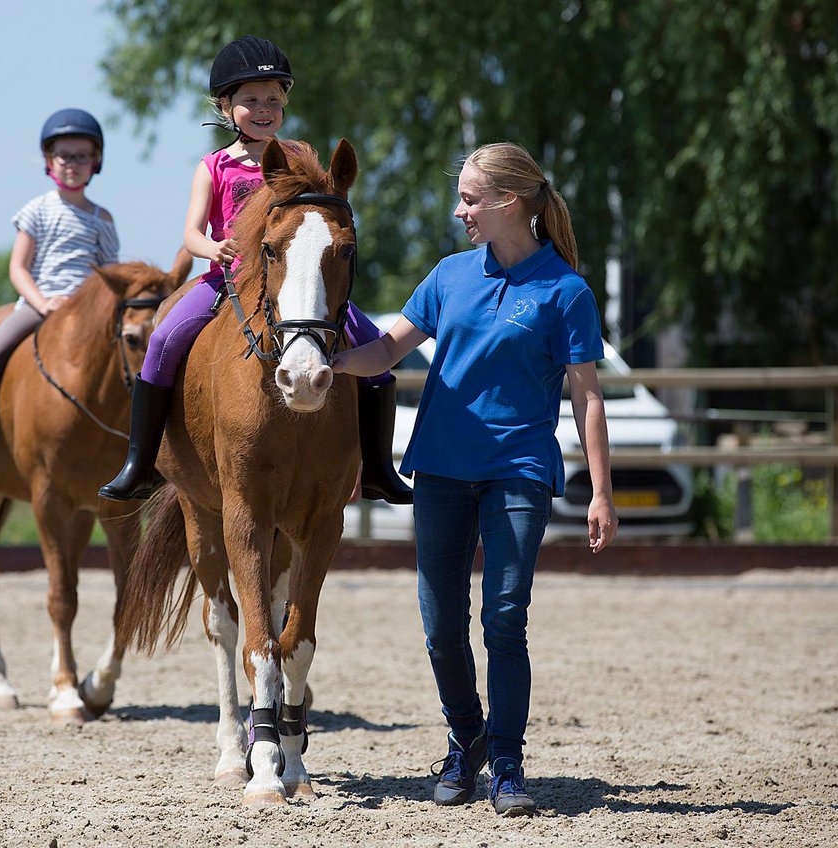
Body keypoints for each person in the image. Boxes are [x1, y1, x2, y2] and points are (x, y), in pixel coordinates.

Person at [332, 141, 618, 814]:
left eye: (470, 198)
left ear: (508, 203)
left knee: (505, 619)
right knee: (440, 627)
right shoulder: (449, 276)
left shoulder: (566, 292)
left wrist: (602, 491)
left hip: (517, 473)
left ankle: (508, 764)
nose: (460, 211)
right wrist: (329, 362)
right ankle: (468, 739)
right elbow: (387, 347)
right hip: (438, 470)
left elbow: (588, 397)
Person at [98, 35, 412, 504]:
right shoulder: (214, 165)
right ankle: (140, 464)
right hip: (226, 277)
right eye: (250, 100)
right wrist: (214, 246)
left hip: (295, 282)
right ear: (226, 107)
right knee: (162, 340)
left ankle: (379, 469)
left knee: (375, 353)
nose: (263, 109)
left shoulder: (298, 155)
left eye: (273, 100)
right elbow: (190, 233)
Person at [0, 109, 118, 477]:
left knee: (133, 358)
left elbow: (109, 274)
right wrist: (43, 303)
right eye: (64, 156)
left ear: (95, 161)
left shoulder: (103, 218)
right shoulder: (37, 210)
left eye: (82, 156)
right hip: (40, 303)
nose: (73, 164)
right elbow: (18, 268)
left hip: (87, 312)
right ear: (50, 161)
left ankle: (140, 452)